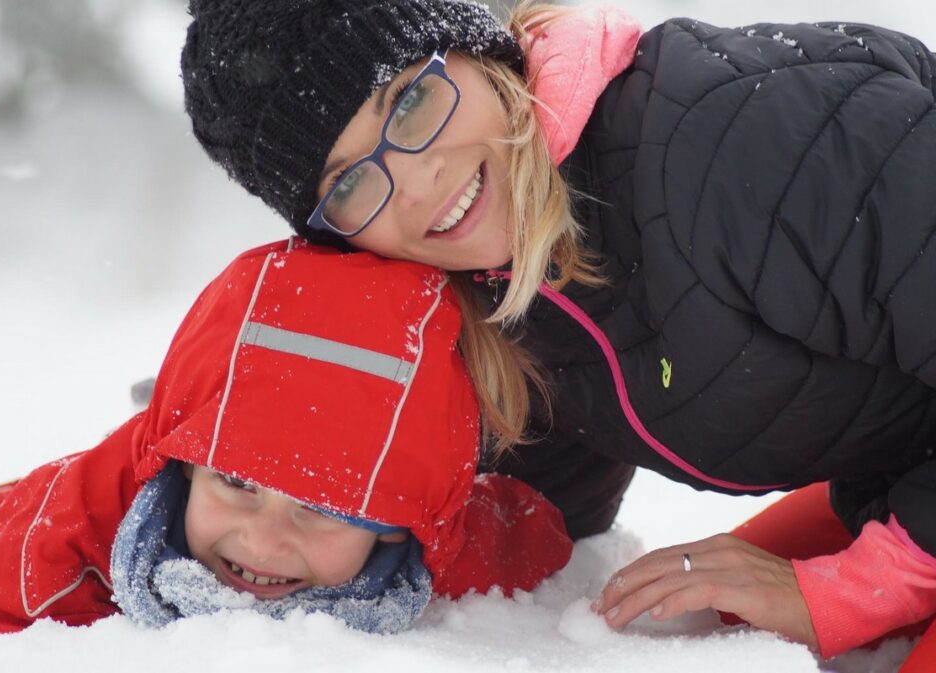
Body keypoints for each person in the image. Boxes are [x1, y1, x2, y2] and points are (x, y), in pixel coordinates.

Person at [178, 0, 936, 662]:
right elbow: (527, 508)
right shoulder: (499, 289)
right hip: (899, 475)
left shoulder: (737, 145)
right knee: (705, 621)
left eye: (409, 103)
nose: (415, 182)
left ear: (474, 51)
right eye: (348, 183)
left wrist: (860, 586)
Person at [0, 240, 572, 658]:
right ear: (188, 467)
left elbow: (527, 532)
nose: (262, 541)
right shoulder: (60, 535)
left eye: (321, 507)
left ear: (402, 526)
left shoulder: (436, 547)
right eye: (237, 482)